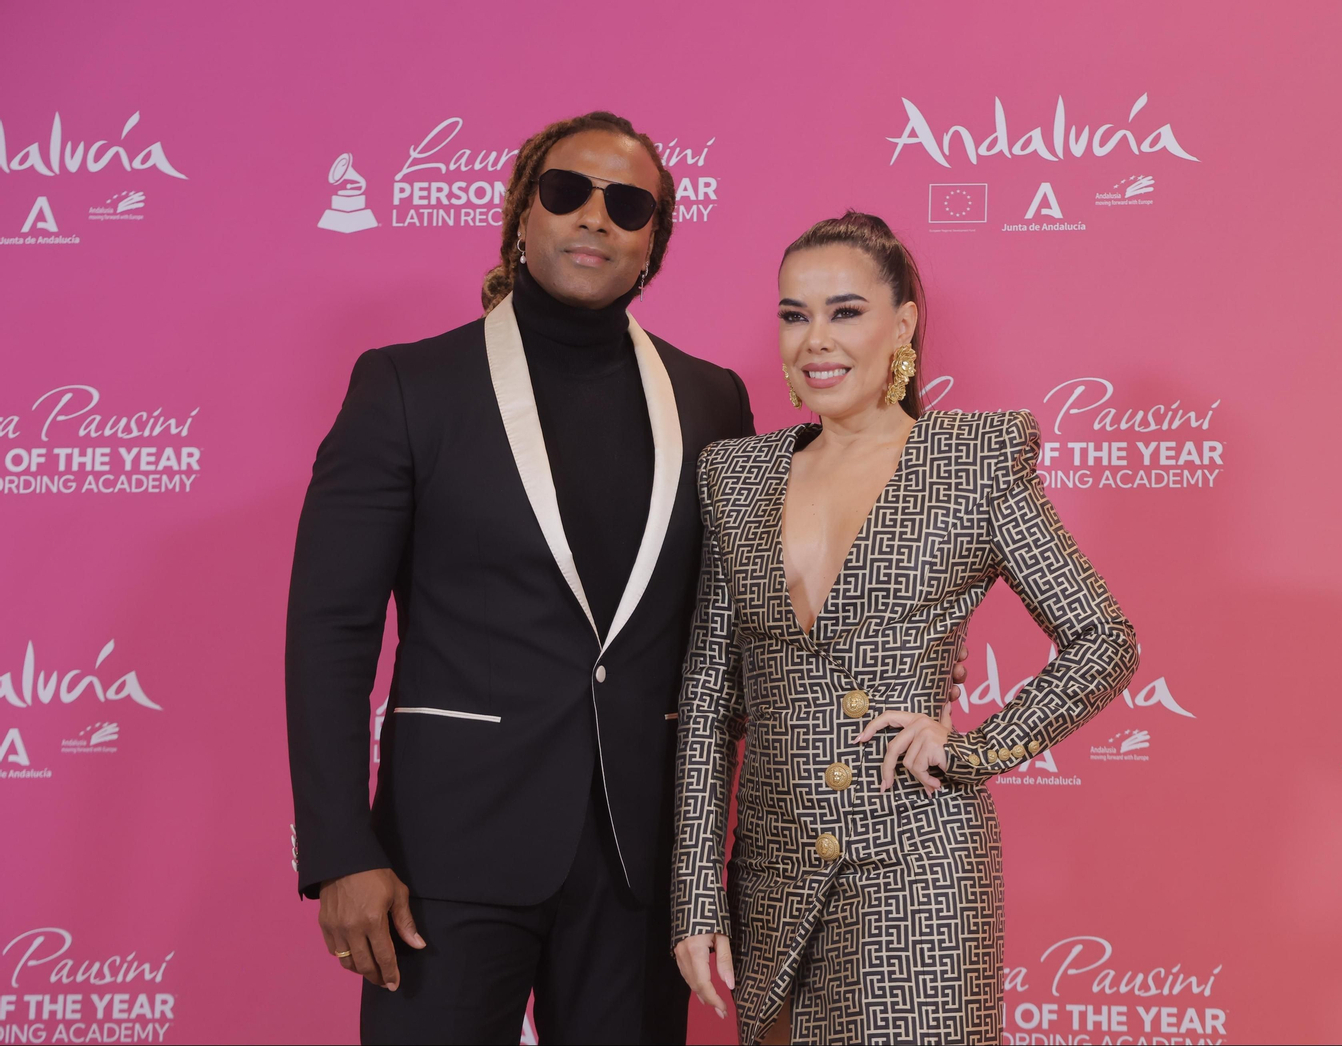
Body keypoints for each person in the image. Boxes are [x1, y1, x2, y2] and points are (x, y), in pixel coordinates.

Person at [285, 111, 757, 1045]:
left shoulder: (714, 400)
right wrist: (341, 850)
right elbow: (329, 632)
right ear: (520, 214)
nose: (595, 219)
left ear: (653, 243)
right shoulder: (409, 386)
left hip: (639, 868)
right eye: (566, 191)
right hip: (442, 858)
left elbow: (730, 636)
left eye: (628, 206)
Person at [670, 212, 1140, 1044]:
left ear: (904, 324)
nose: (815, 340)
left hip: (917, 868)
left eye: (845, 311)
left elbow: (1104, 639)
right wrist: (696, 897)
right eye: (794, 314)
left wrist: (975, 750)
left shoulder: (972, 458)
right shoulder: (734, 474)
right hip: (774, 879)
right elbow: (708, 701)